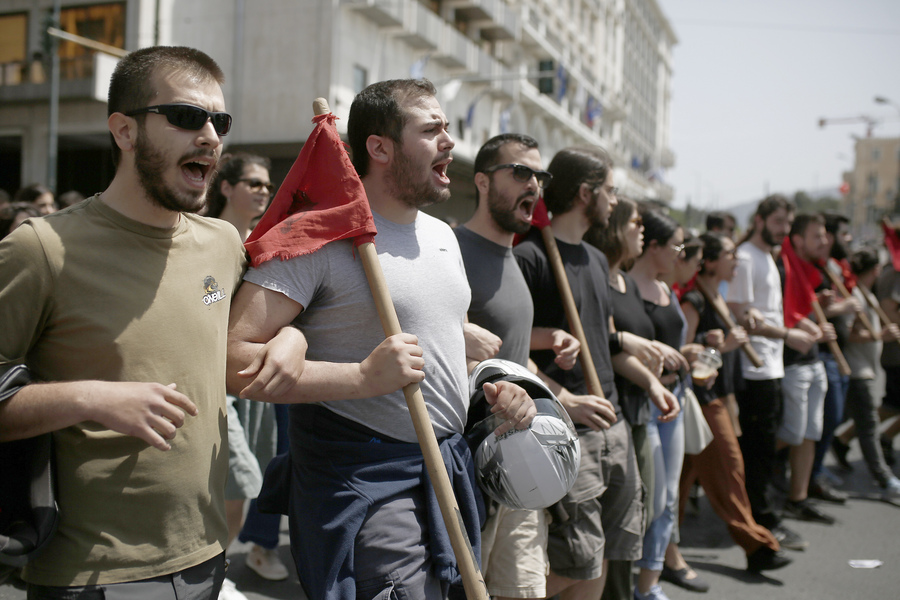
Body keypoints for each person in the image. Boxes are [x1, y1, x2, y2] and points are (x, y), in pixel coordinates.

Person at [226, 79, 535, 600]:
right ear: (380, 146)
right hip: (366, 484)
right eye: (431, 129)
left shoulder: (443, 237)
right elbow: (233, 362)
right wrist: (362, 378)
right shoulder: (317, 238)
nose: (449, 141)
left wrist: (491, 391)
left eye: (447, 127)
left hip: (447, 475)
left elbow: (432, 354)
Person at [0, 46, 246, 597]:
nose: (209, 135)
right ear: (124, 131)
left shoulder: (224, 244)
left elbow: (250, 339)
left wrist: (293, 340)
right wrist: (92, 398)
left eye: (219, 121)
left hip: (206, 558)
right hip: (88, 575)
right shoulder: (41, 249)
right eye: (186, 116)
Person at [514, 146, 679, 600]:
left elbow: (602, 340)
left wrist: (647, 379)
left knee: (606, 551)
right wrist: (564, 398)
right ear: (585, 193)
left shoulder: (595, 259)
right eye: (609, 190)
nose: (614, 199)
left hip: (613, 422)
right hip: (567, 428)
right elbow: (508, 348)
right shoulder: (530, 256)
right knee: (575, 559)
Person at [456, 132, 580, 600]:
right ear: (483, 182)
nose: (535, 184)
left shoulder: (512, 258)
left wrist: (564, 397)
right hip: (472, 467)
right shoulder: (450, 249)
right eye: (522, 172)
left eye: (540, 175)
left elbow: (510, 354)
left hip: (526, 465)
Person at [676, 232, 791, 573]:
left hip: (722, 397)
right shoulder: (694, 302)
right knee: (729, 469)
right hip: (702, 400)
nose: (737, 260)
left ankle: (664, 549)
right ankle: (757, 545)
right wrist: (720, 348)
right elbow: (684, 356)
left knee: (683, 479)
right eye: (729, 253)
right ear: (709, 261)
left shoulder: (719, 297)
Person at [207, 153, 289, 593]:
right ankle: (212, 578)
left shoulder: (266, 243)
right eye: (253, 182)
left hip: (255, 385)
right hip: (212, 381)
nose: (262, 190)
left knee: (248, 477)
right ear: (226, 187)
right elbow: (204, 300)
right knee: (239, 478)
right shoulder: (204, 237)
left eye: (266, 184)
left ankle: (213, 573)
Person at [726, 194, 808, 551]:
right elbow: (742, 316)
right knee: (757, 451)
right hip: (754, 369)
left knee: (763, 448)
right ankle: (760, 519)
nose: (784, 230)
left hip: (771, 366)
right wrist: (790, 335)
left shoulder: (767, 257)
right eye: (778, 222)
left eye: (787, 224)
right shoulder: (746, 258)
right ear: (759, 220)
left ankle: (760, 514)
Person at [627, 206, 698, 600]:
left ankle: (648, 584)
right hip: (643, 401)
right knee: (648, 498)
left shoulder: (667, 288)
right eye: (676, 245)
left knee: (668, 496)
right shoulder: (624, 288)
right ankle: (632, 580)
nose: (680, 253)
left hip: (677, 397)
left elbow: (672, 346)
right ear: (652, 245)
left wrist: (693, 353)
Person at [773, 213, 838, 526]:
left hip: (813, 362)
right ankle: (755, 475)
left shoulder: (807, 270)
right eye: (817, 236)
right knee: (791, 432)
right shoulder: (783, 269)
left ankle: (797, 498)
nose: (824, 241)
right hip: (792, 364)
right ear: (797, 240)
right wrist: (814, 326)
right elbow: (783, 318)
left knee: (809, 433)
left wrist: (818, 313)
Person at [836, 247, 900, 500]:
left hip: (865, 368)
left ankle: (836, 443)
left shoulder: (865, 294)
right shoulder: (856, 297)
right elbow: (848, 333)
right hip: (856, 370)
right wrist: (878, 335)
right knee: (868, 424)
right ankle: (883, 476)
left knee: (842, 418)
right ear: (874, 270)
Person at [808, 213, 857, 503]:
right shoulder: (809, 270)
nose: (843, 239)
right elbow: (804, 311)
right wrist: (839, 308)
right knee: (826, 417)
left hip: (838, 353)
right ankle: (811, 474)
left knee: (833, 416)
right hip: (822, 354)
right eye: (841, 233)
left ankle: (815, 471)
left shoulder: (832, 268)